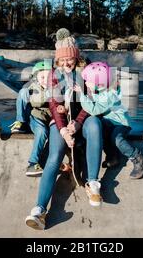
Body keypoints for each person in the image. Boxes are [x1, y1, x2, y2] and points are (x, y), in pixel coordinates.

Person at [25, 28, 104, 230]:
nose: (66, 63)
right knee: (55, 156)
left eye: (70, 59)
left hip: (83, 119)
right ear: (58, 61)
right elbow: (53, 104)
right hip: (60, 124)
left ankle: (93, 183)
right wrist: (63, 130)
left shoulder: (86, 73)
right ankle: (39, 210)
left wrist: (77, 123)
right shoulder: (54, 75)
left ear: (76, 58)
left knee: (95, 124)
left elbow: (90, 102)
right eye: (62, 60)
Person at [76, 61, 143, 179]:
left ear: (99, 83)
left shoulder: (111, 94)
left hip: (120, 124)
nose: (86, 83)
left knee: (117, 139)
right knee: (100, 131)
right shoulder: (102, 91)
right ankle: (113, 157)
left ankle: (138, 158)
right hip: (109, 122)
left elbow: (94, 110)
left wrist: (81, 95)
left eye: (88, 81)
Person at [10, 60, 53, 177]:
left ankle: (38, 163)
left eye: (49, 77)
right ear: (36, 78)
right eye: (42, 77)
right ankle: (20, 122)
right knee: (42, 131)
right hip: (35, 118)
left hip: (49, 119)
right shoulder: (32, 87)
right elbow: (37, 101)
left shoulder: (56, 87)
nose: (45, 79)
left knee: (46, 133)